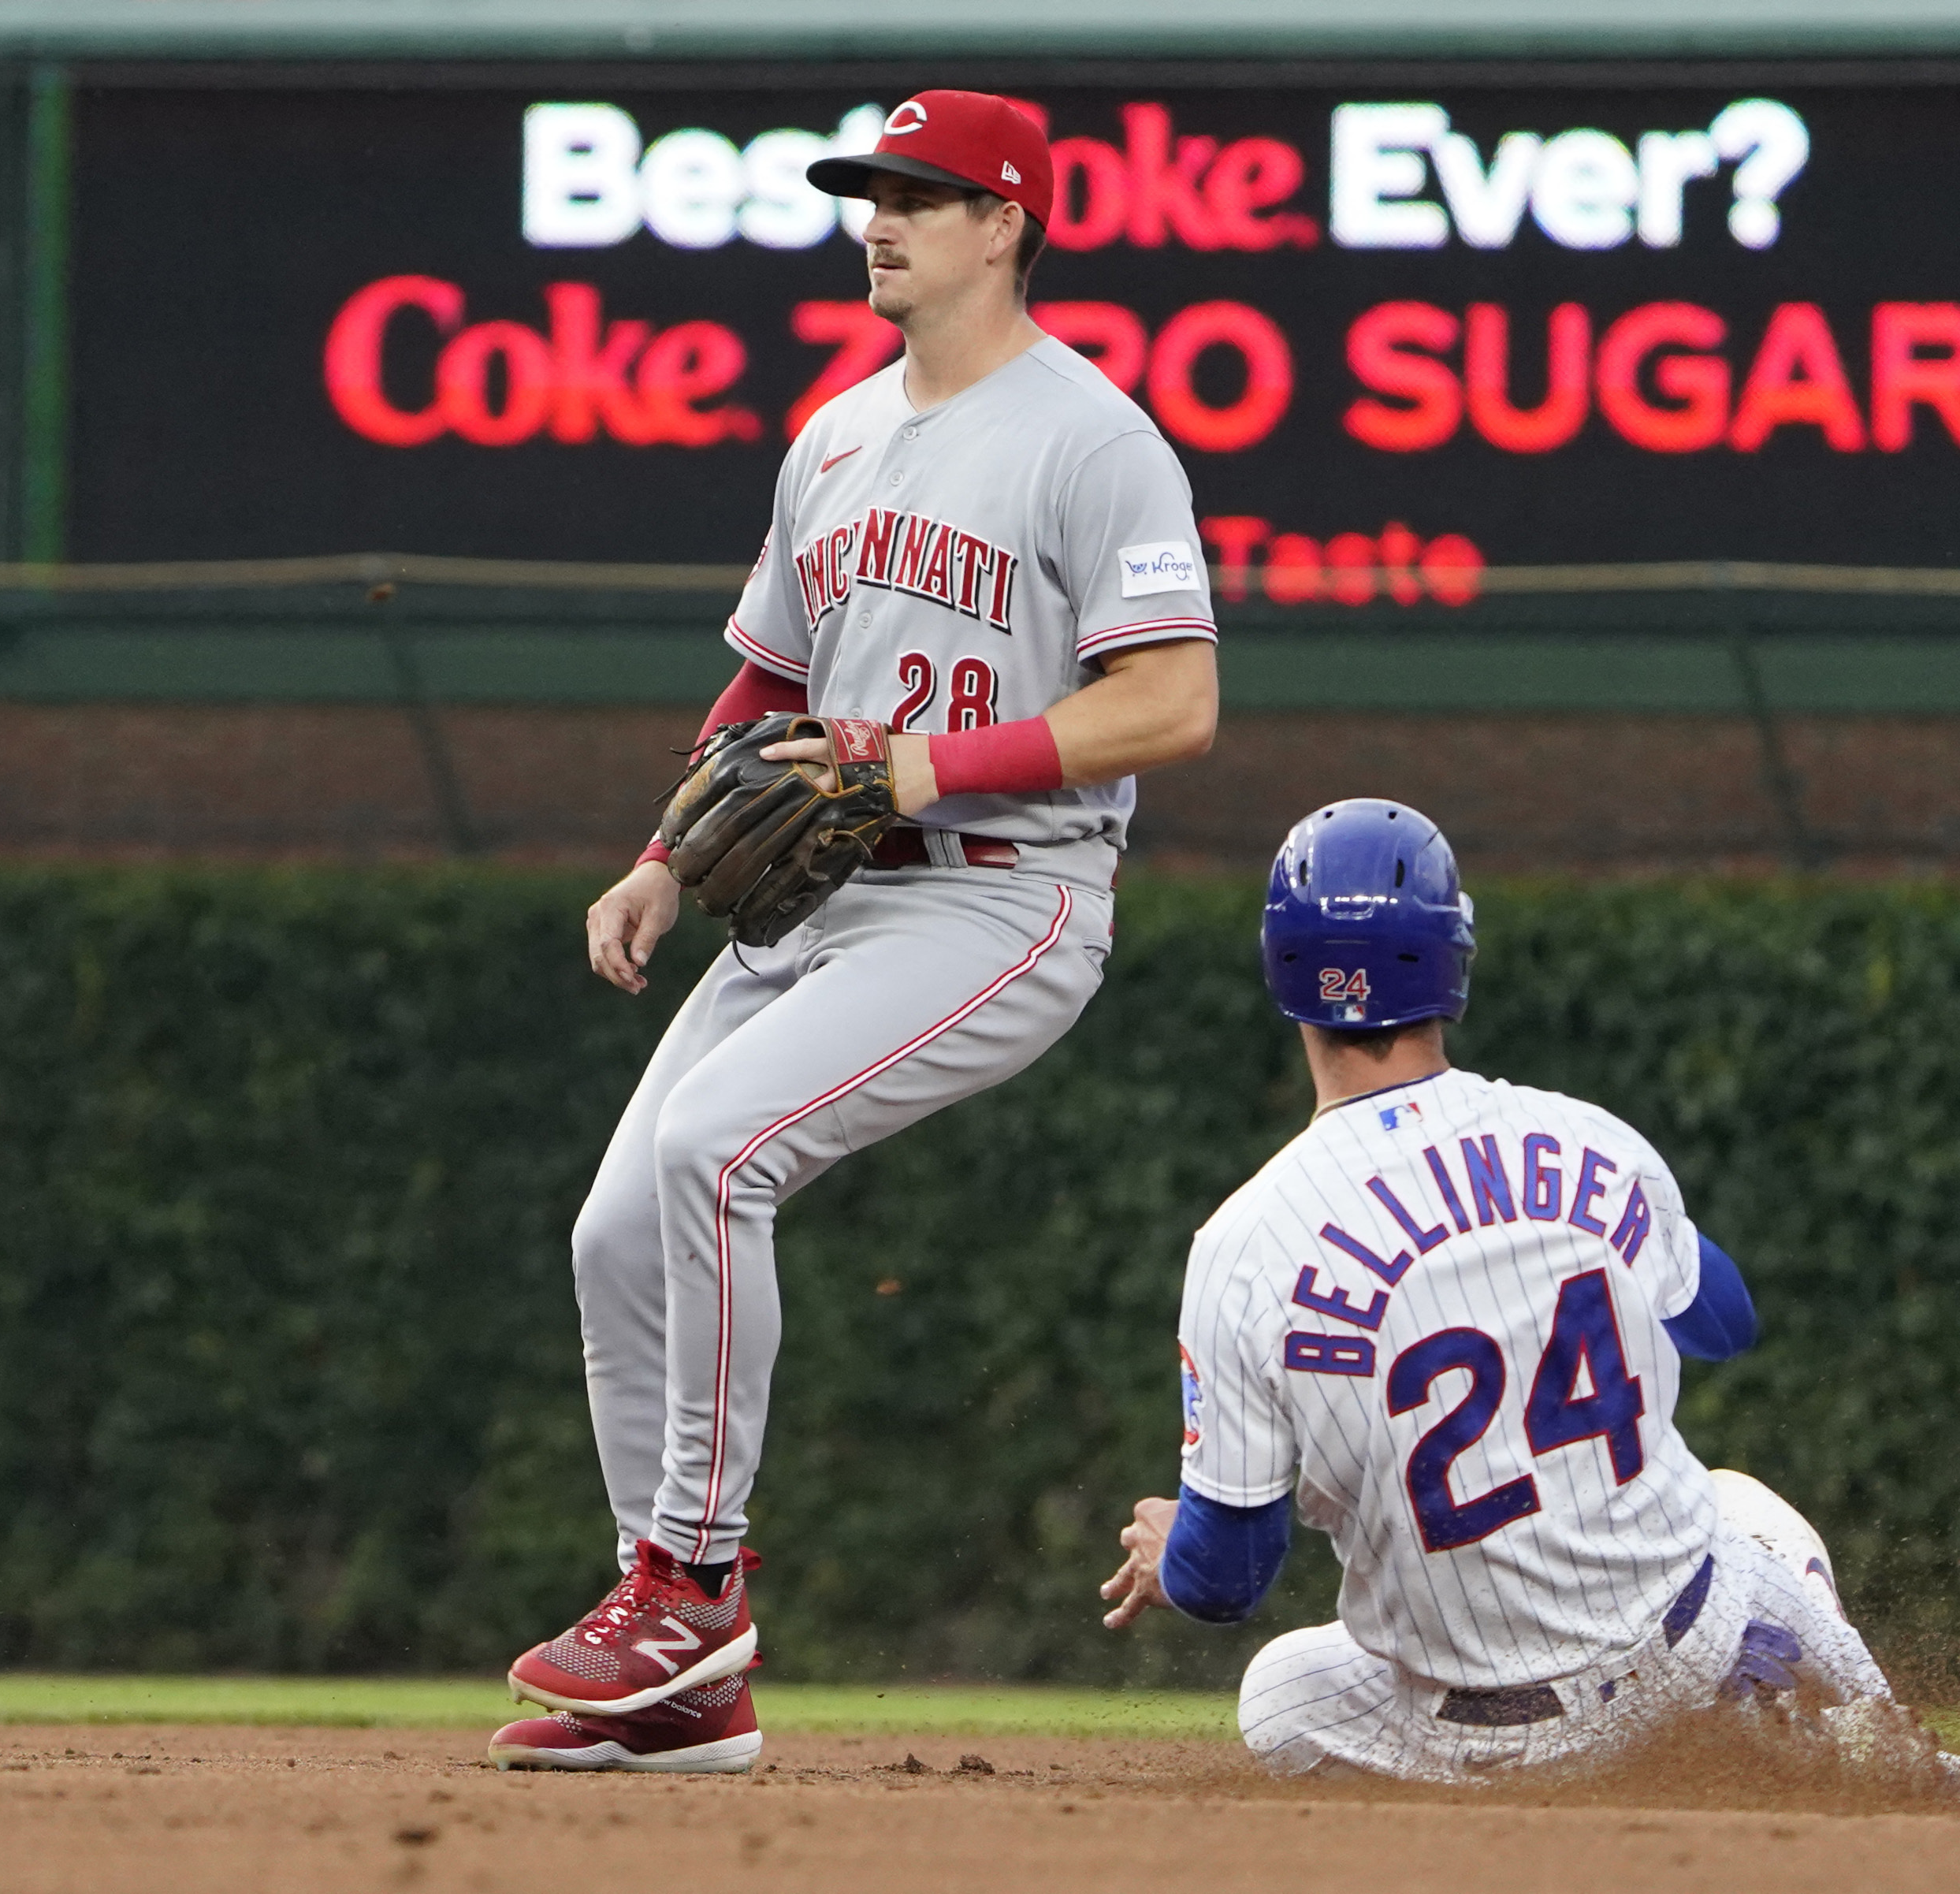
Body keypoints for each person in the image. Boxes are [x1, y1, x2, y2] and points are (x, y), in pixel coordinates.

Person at [490, 88, 1222, 1773]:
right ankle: (677, 1680)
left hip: (1000, 888)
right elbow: (767, 673)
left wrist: (930, 761)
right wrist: (665, 853)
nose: (878, 218)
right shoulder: (831, 433)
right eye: (868, 191)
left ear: (1006, 223)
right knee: (615, 1228)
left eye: (919, 193)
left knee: (718, 1153)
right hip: (815, 894)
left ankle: (691, 1580)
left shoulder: (1091, 438)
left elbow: (1173, 701)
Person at [1097, 800, 1960, 1794]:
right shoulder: (1584, 1140)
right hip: (1691, 1650)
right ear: (1452, 957)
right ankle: (1873, 1739)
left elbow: (1225, 1583)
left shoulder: (1242, 1242)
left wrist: (1178, 1554)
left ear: (1282, 970)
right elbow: (1725, 1325)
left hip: (1484, 1738)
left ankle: (1550, 1816)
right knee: (1739, 1504)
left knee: (1277, 1696)